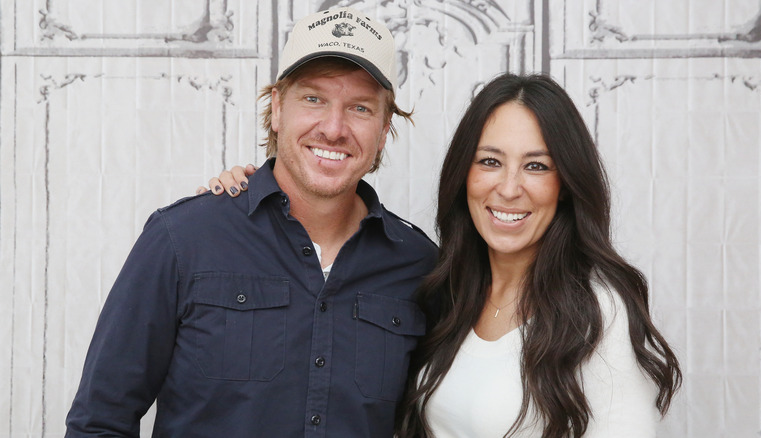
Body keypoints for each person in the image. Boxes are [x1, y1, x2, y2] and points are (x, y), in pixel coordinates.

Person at [210, 73, 682, 437]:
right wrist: (246, 202)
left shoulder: (596, 310)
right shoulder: (444, 288)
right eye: (490, 161)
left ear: (565, 186)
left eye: (536, 166)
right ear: (464, 175)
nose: (509, 188)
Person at [65, 7, 438, 438]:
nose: (334, 129)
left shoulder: (421, 267)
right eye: (313, 99)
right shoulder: (184, 238)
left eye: (360, 107)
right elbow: (99, 422)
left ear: (384, 128)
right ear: (277, 108)